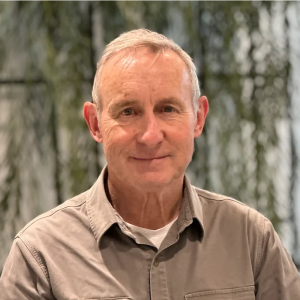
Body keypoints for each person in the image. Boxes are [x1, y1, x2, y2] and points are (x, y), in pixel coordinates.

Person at [0, 29, 299, 300]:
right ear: (95, 124)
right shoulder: (40, 257)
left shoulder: (250, 239)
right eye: (128, 111)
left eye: (168, 109)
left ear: (198, 117)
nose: (150, 135)